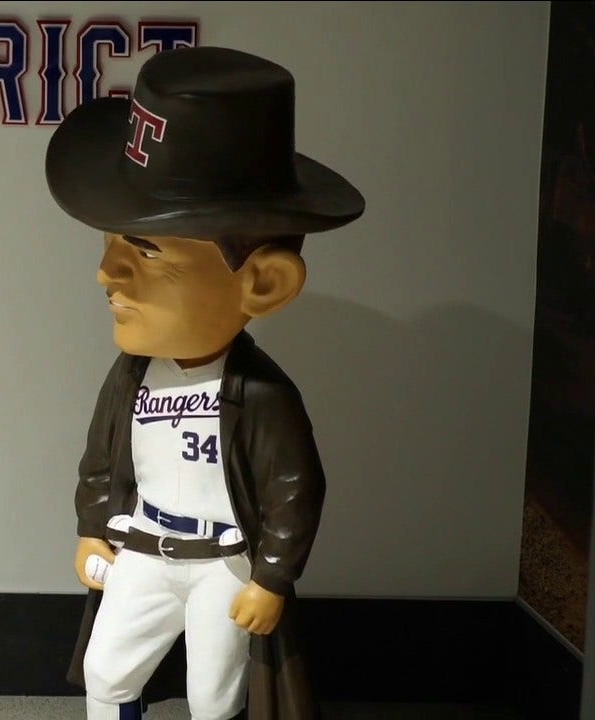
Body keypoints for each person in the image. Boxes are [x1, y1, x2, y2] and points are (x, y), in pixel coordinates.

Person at [43, 47, 366, 720]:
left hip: (225, 561)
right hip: (145, 547)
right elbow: (102, 459)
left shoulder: (259, 393)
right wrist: (92, 527)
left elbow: (294, 488)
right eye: (110, 244)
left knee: (213, 696)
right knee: (107, 671)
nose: (108, 275)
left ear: (264, 284)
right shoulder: (132, 376)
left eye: (145, 253)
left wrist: (273, 575)